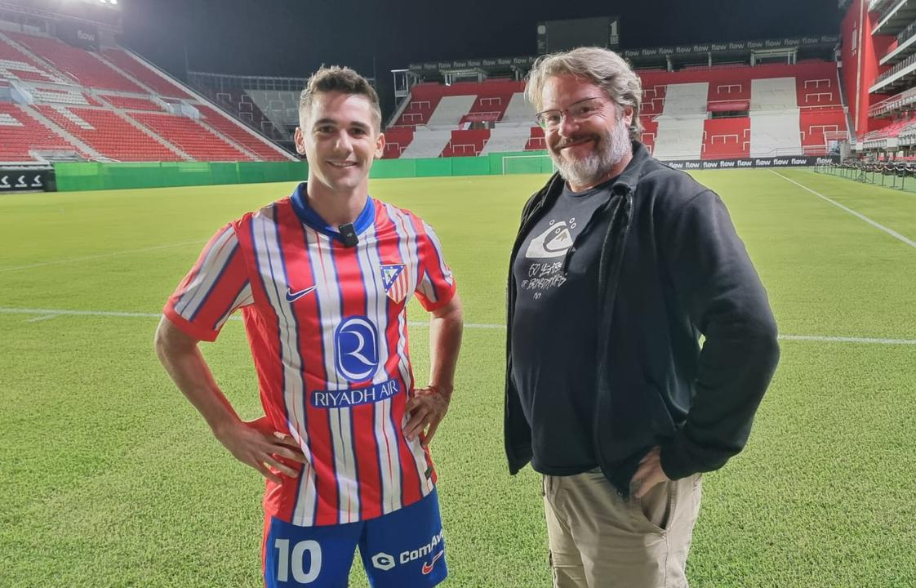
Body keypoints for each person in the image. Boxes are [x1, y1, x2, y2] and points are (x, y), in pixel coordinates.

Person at [156, 65, 463, 588]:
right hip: (306, 492)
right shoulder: (249, 240)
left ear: (379, 144)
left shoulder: (412, 234)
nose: (343, 145)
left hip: (403, 480)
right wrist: (226, 427)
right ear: (301, 139)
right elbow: (173, 339)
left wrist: (441, 389)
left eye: (357, 130)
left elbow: (447, 309)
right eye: (326, 129)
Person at [503, 47, 780, 588]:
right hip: (559, 471)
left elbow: (749, 332)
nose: (565, 128)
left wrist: (692, 450)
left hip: (627, 477)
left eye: (584, 109)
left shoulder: (673, 202)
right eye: (552, 116)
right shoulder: (547, 201)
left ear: (626, 110)